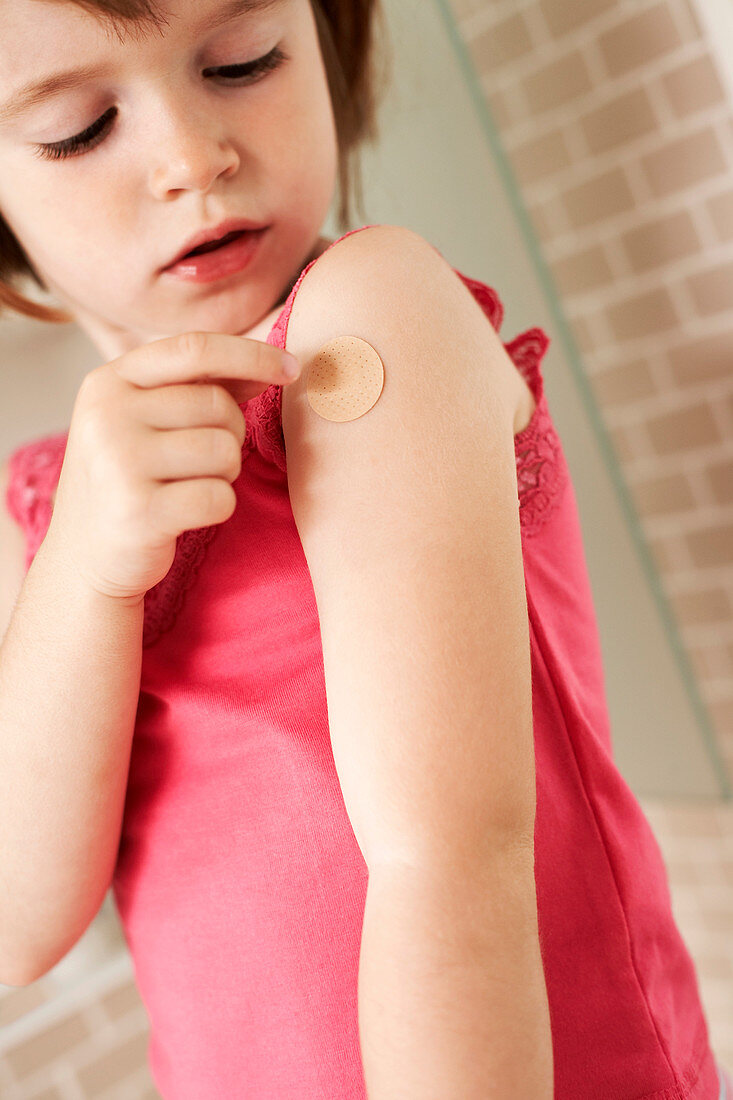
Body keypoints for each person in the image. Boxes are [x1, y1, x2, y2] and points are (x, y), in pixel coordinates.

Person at [0, 1, 729, 1097]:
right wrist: (84, 574)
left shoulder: (367, 317)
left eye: (242, 62)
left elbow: (451, 856)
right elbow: (19, 921)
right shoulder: (62, 503)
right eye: (79, 128)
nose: (194, 158)